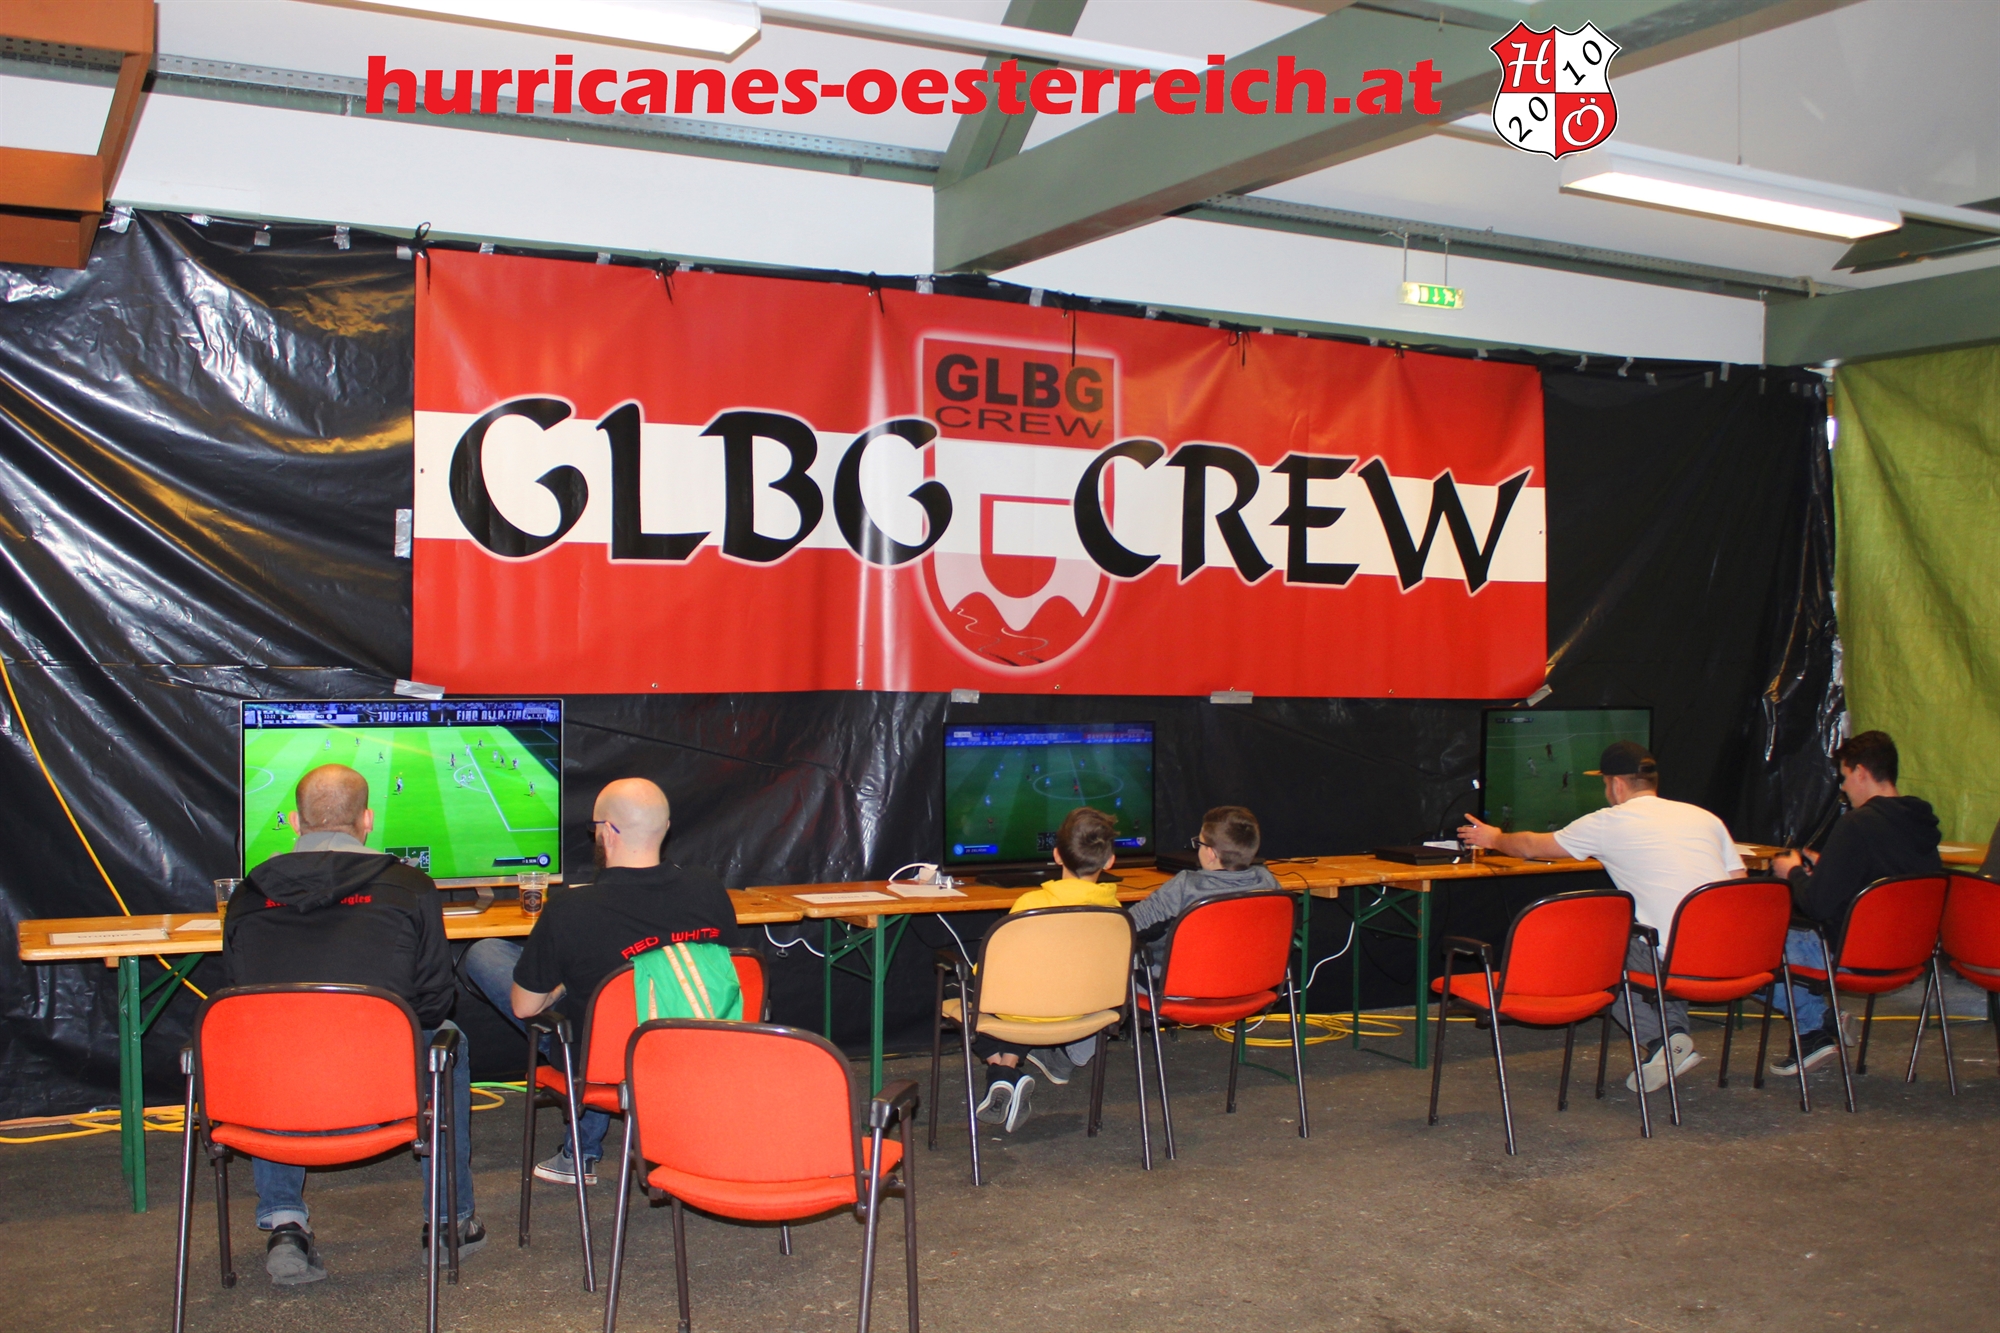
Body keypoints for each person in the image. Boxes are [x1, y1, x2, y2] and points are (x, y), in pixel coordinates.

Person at [221, 763, 477, 1286]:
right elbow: (434, 1000)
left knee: (266, 1040)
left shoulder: (247, 894)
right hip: (381, 1090)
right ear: (367, 819)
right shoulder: (410, 886)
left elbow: (241, 999)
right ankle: (449, 1221)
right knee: (449, 1042)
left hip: (279, 1095)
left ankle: (284, 1223)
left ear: (295, 821)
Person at [461, 778, 741, 1186]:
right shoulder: (708, 888)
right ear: (664, 828)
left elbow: (524, 1006)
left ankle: (580, 1154)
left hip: (606, 1060)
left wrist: (563, 984)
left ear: (607, 832)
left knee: (486, 956)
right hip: (701, 1045)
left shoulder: (573, 909)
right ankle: (586, 1148)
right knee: (599, 1003)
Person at [1459, 742, 1745, 1094]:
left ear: (1617, 785)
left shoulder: (1608, 823)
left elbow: (1533, 846)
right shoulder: (1705, 818)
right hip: (1734, 955)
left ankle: (1662, 1040)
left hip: (1676, 958)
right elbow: (1738, 885)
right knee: (1652, 939)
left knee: (1599, 952)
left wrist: (1494, 837)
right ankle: (1671, 1039)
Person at [1768, 731, 1942, 1076]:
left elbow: (1816, 905)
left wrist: (1792, 873)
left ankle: (1815, 1030)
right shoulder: (1919, 824)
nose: (1843, 789)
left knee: (1750, 946)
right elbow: (1886, 886)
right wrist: (1829, 867)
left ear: (1861, 772)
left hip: (1856, 956)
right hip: (1909, 955)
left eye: (1845, 777)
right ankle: (1823, 1023)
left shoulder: (1856, 824)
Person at [971, 806, 1123, 1132]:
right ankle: (1006, 1072)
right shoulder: (1115, 911)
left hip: (1026, 1012)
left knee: (967, 988)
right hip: (1085, 1015)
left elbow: (990, 973)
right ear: (1110, 861)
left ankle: (1000, 1069)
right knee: (1025, 1000)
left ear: (1056, 855)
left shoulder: (1030, 904)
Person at [1128, 805, 1279, 986]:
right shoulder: (1268, 882)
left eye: (1199, 843)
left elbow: (1129, 924)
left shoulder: (1185, 886)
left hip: (1180, 988)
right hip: (1252, 985)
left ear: (1210, 854)